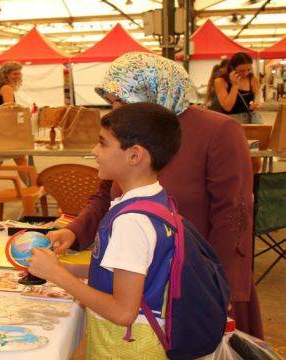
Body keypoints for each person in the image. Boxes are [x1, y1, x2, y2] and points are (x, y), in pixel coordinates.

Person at [48, 52, 262, 339]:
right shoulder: (130, 132)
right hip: (142, 280)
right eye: (113, 103)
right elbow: (106, 195)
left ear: (153, 90)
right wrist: (74, 231)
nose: (116, 111)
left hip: (195, 277)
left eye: (122, 101)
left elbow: (234, 215)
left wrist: (220, 284)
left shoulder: (219, 131)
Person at [29, 102, 182, 358]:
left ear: (134, 155)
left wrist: (58, 276)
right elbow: (126, 271)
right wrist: (68, 269)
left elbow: (123, 312)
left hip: (124, 347)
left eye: (102, 143)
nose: (94, 151)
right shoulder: (152, 199)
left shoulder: (132, 221)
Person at [0, 61, 28, 178]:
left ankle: (31, 186)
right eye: (15, 74)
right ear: (6, 74)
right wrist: (22, 112)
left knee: (18, 160)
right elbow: (9, 109)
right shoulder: (6, 88)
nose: (18, 76)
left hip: (0, 128)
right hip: (7, 130)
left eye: (19, 73)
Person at [213, 52, 262, 124]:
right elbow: (227, 107)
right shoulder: (220, 81)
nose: (246, 73)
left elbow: (258, 99)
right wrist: (235, 85)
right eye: (241, 70)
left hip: (251, 120)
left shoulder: (252, 79)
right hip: (231, 121)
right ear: (232, 68)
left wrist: (256, 105)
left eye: (249, 69)